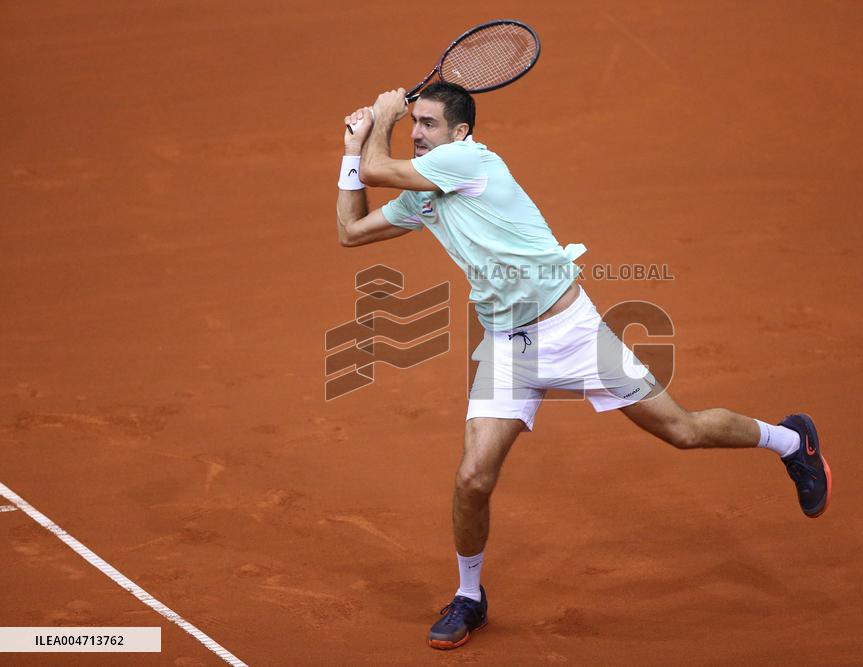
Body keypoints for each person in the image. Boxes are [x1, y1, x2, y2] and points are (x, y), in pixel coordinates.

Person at [336, 82, 831, 650]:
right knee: (473, 479)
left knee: (682, 430)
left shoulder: (468, 162)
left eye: (427, 124)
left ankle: (791, 441)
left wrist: (381, 119)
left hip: (572, 332)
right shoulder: (425, 192)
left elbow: (378, 169)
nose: (418, 133)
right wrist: (351, 152)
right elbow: (350, 232)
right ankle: (470, 596)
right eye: (414, 123)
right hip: (508, 347)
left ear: (461, 133)